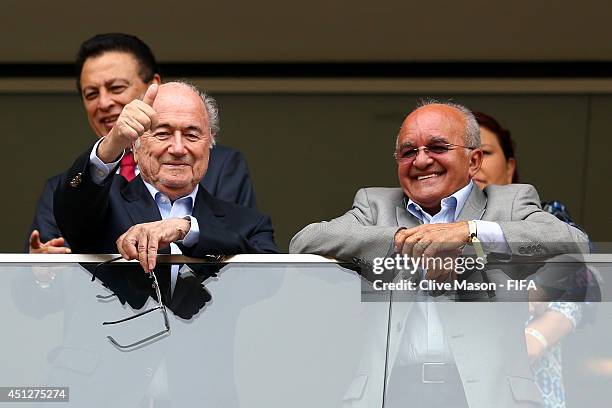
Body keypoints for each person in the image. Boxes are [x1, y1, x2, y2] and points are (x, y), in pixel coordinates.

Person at [290, 101, 588, 408]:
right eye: (408, 152)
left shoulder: (509, 202)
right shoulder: (375, 205)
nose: (421, 161)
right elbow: (305, 242)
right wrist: (407, 241)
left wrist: (470, 234)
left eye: (437, 147)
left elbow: (573, 244)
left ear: (473, 161)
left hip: (486, 395)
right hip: (391, 393)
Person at [27, 33, 257, 254]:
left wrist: (183, 228)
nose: (104, 102)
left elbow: (236, 241)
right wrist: (40, 275)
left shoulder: (220, 165)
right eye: (91, 94)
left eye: (116, 88)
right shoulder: (70, 186)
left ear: (153, 87)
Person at [54, 81, 277, 274]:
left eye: (191, 135)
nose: (178, 148)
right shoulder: (105, 207)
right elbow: (72, 208)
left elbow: (269, 279)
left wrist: (188, 230)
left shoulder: (248, 224)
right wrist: (112, 143)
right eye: (162, 133)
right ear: (135, 143)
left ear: (210, 142)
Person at [473, 111, 595, 408]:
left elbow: (584, 274)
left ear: (510, 167)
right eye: (463, 155)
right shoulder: (425, 230)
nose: (474, 164)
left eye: (485, 153)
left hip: (529, 392)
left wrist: (538, 334)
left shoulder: (545, 219)